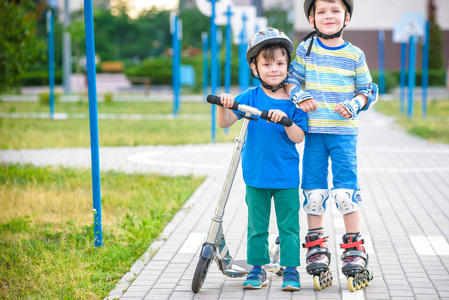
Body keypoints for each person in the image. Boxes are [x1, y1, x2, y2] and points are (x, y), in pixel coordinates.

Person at [285, 0, 378, 291]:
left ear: (346, 17)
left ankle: (354, 249)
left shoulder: (354, 54)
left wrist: (354, 103)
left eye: (335, 11)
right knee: (313, 192)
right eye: (321, 12)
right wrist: (298, 95)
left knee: (345, 193)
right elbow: (291, 80)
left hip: (344, 135)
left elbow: (368, 90)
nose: (328, 16)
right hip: (314, 132)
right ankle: (316, 245)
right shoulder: (306, 49)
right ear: (311, 19)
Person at [217, 28, 308, 291]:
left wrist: (287, 121)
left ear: (288, 66)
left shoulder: (294, 102)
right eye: (266, 64)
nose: (274, 69)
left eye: (280, 63)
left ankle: (290, 269)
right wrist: (225, 106)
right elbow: (226, 123)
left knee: (289, 226)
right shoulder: (251, 96)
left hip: (286, 177)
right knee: (257, 226)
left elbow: (298, 137)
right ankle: (257, 268)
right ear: (255, 68)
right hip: (256, 175)